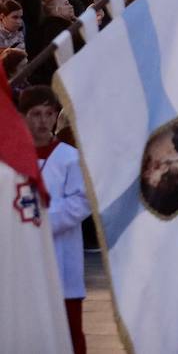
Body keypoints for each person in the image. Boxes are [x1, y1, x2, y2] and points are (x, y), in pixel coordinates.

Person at [21, 85, 89, 354]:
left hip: (61, 258)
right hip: (22, 258)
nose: (43, 121)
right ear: (23, 116)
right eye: (35, 114)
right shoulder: (10, 158)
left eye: (48, 114)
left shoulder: (70, 157)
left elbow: (80, 202)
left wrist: (37, 220)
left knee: (67, 335)